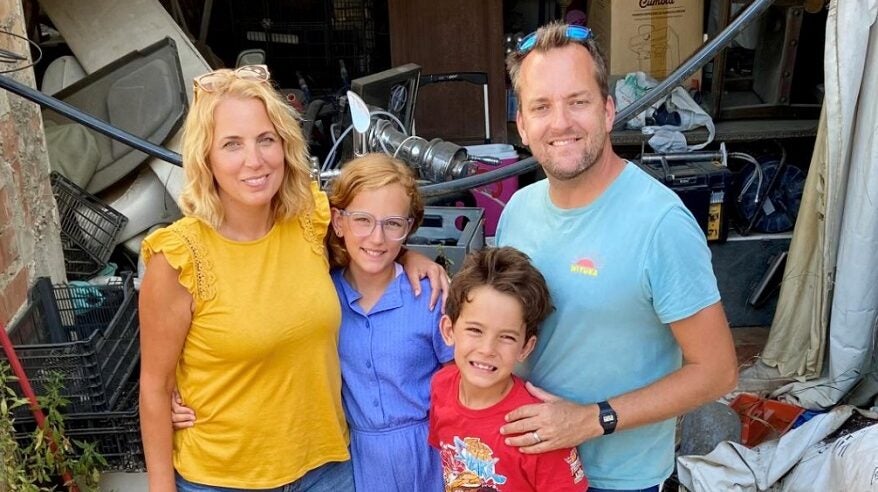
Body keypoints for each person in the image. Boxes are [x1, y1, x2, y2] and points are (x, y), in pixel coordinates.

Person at [139, 65, 447, 491]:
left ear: (285, 146)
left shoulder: (309, 220)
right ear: (205, 157)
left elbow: (366, 237)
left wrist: (409, 256)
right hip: (223, 478)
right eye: (232, 144)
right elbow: (154, 388)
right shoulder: (177, 257)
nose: (255, 160)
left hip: (327, 470)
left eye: (266, 139)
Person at [495, 22, 739, 491]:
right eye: (542, 106)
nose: (561, 122)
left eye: (578, 101)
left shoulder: (660, 224)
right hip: (527, 468)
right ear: (523, 125)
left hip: (618, 478)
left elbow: (717, 371)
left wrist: (592, 419)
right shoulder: (519, 211)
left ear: (608, 111)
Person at [326, 153, 452, 490]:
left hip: (430, 451)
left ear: (408, 227)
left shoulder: (429, 296)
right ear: (339, 222)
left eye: (393, 223)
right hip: (358, 458)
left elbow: (460, 377)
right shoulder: (324, 297)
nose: (377, 238)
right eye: (363, 220)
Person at [429, 247, 588, 492]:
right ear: (449, 330)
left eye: (506, 337)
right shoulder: (441, 386)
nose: (487, 348)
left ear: (525, 347)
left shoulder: (540, 426)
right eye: (475, 330)